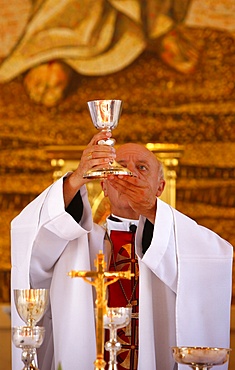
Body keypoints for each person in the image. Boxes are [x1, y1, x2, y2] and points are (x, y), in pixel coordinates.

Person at [11, 130, 233, 370]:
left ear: (160, 188)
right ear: (104, 185)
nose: (128, 174)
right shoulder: (73, 242)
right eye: (119, 167)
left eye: (142, 168)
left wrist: (151, 210)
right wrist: (76, 178)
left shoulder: (179, 239)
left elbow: (214, 258)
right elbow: (30, 242)